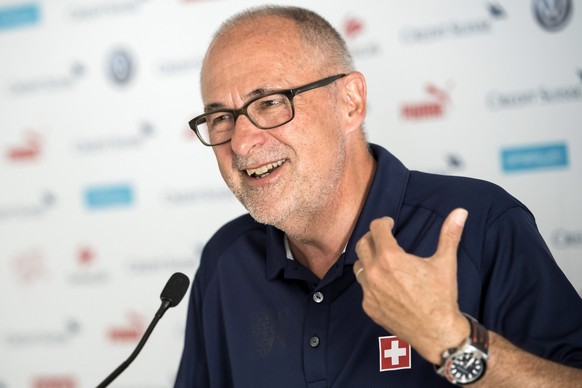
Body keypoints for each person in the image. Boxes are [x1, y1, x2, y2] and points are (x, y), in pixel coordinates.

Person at [175, 5, 582, 387]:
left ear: (350, 103)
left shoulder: (480, 223)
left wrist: (453, 342)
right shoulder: (224, 262)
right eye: (221, 118)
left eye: (269, 103)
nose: (242, 143)